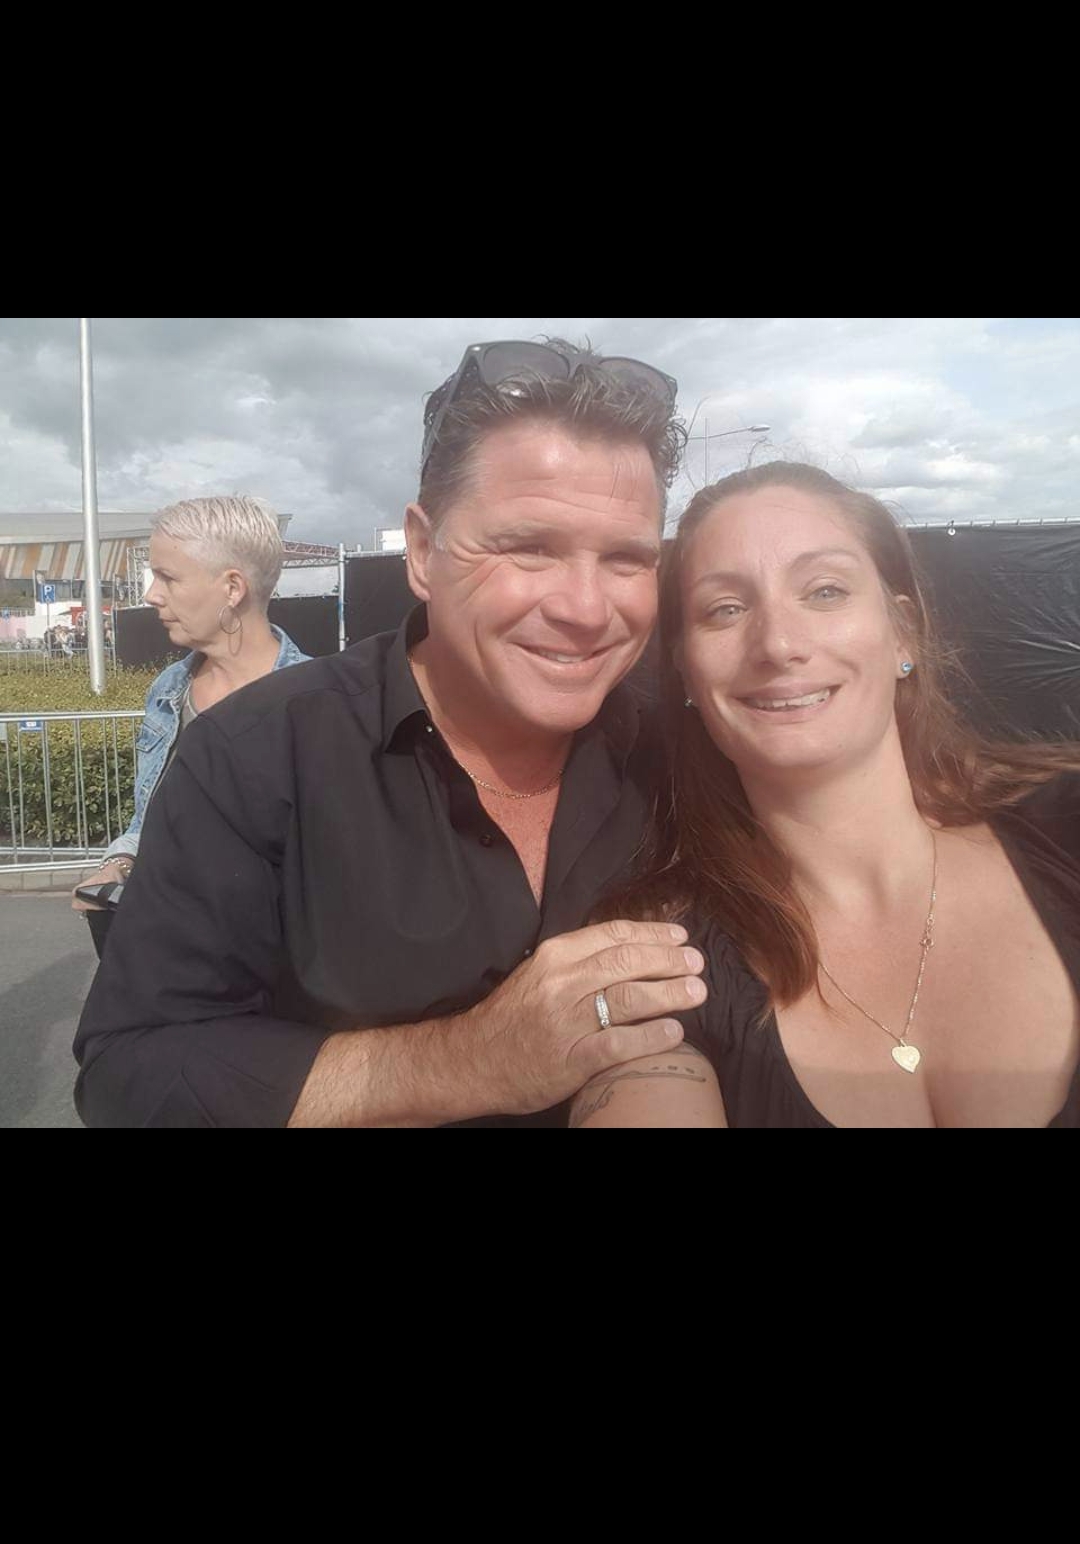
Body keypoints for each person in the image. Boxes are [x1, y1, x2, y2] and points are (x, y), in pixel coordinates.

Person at [73, 341, 707, 1128]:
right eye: (529, 549)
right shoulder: (254, 759)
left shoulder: (683, 759)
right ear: (423, 551)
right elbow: (132, 1070)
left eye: (626, 559)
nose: (585, 607)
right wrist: (472, 1058)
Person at [570, 461, 1080, 1131]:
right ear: (686, 671)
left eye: (825, 591)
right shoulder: (665, 964)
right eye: (726, 609)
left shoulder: (1065, 826)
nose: (778, 644)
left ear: (903, 633)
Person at [71, 496, 309, 951]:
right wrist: (118, 865)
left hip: (272, 960)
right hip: (167, 947)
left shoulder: (317, 701)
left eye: (168, 577)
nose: (151, 594)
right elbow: (149, 821)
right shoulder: (169, 689)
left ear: (232, 588)